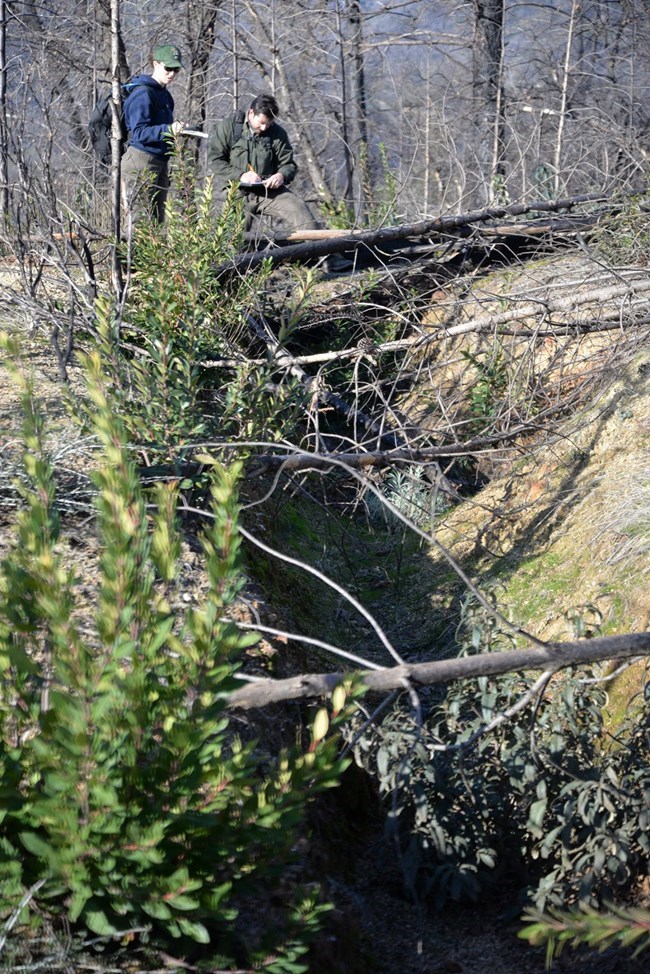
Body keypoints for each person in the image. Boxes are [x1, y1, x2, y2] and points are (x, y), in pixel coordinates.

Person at [207, 93, 323, 237]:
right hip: (236, 191)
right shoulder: (229, 128)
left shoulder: (277, 133)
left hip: (268, 191)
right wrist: (241, 175)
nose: (263, 128)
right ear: (251, 113)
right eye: (261, 123)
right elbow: (215, 160)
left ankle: (325, 256)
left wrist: (281, 175)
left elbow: (288, 164)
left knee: (300, 211)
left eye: (268, 124)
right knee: (234, 236)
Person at [121, 43, 184, 226]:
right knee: (138, 225)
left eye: (176, 70)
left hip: (160, 163)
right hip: (140, 163)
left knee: (156, 226)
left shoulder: (165, 96)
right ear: (156, 64)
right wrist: (169, 130)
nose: (172, 74)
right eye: (168, 68)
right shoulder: (142, 93)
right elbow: (139, 132)